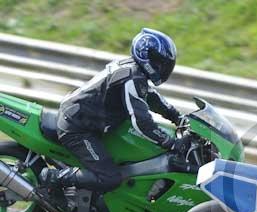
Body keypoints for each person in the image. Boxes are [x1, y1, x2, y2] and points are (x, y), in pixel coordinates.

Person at [40, 28, 189, 192]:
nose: (162, 68)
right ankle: (53, 178)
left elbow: (153, 99)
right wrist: (169, 142)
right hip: (78, 127)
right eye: (159, 62)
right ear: (146, 56)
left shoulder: (134, 72)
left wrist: (179, 118)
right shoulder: (132, 77)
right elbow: (141, 121)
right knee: (109, 178)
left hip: (85, 120)